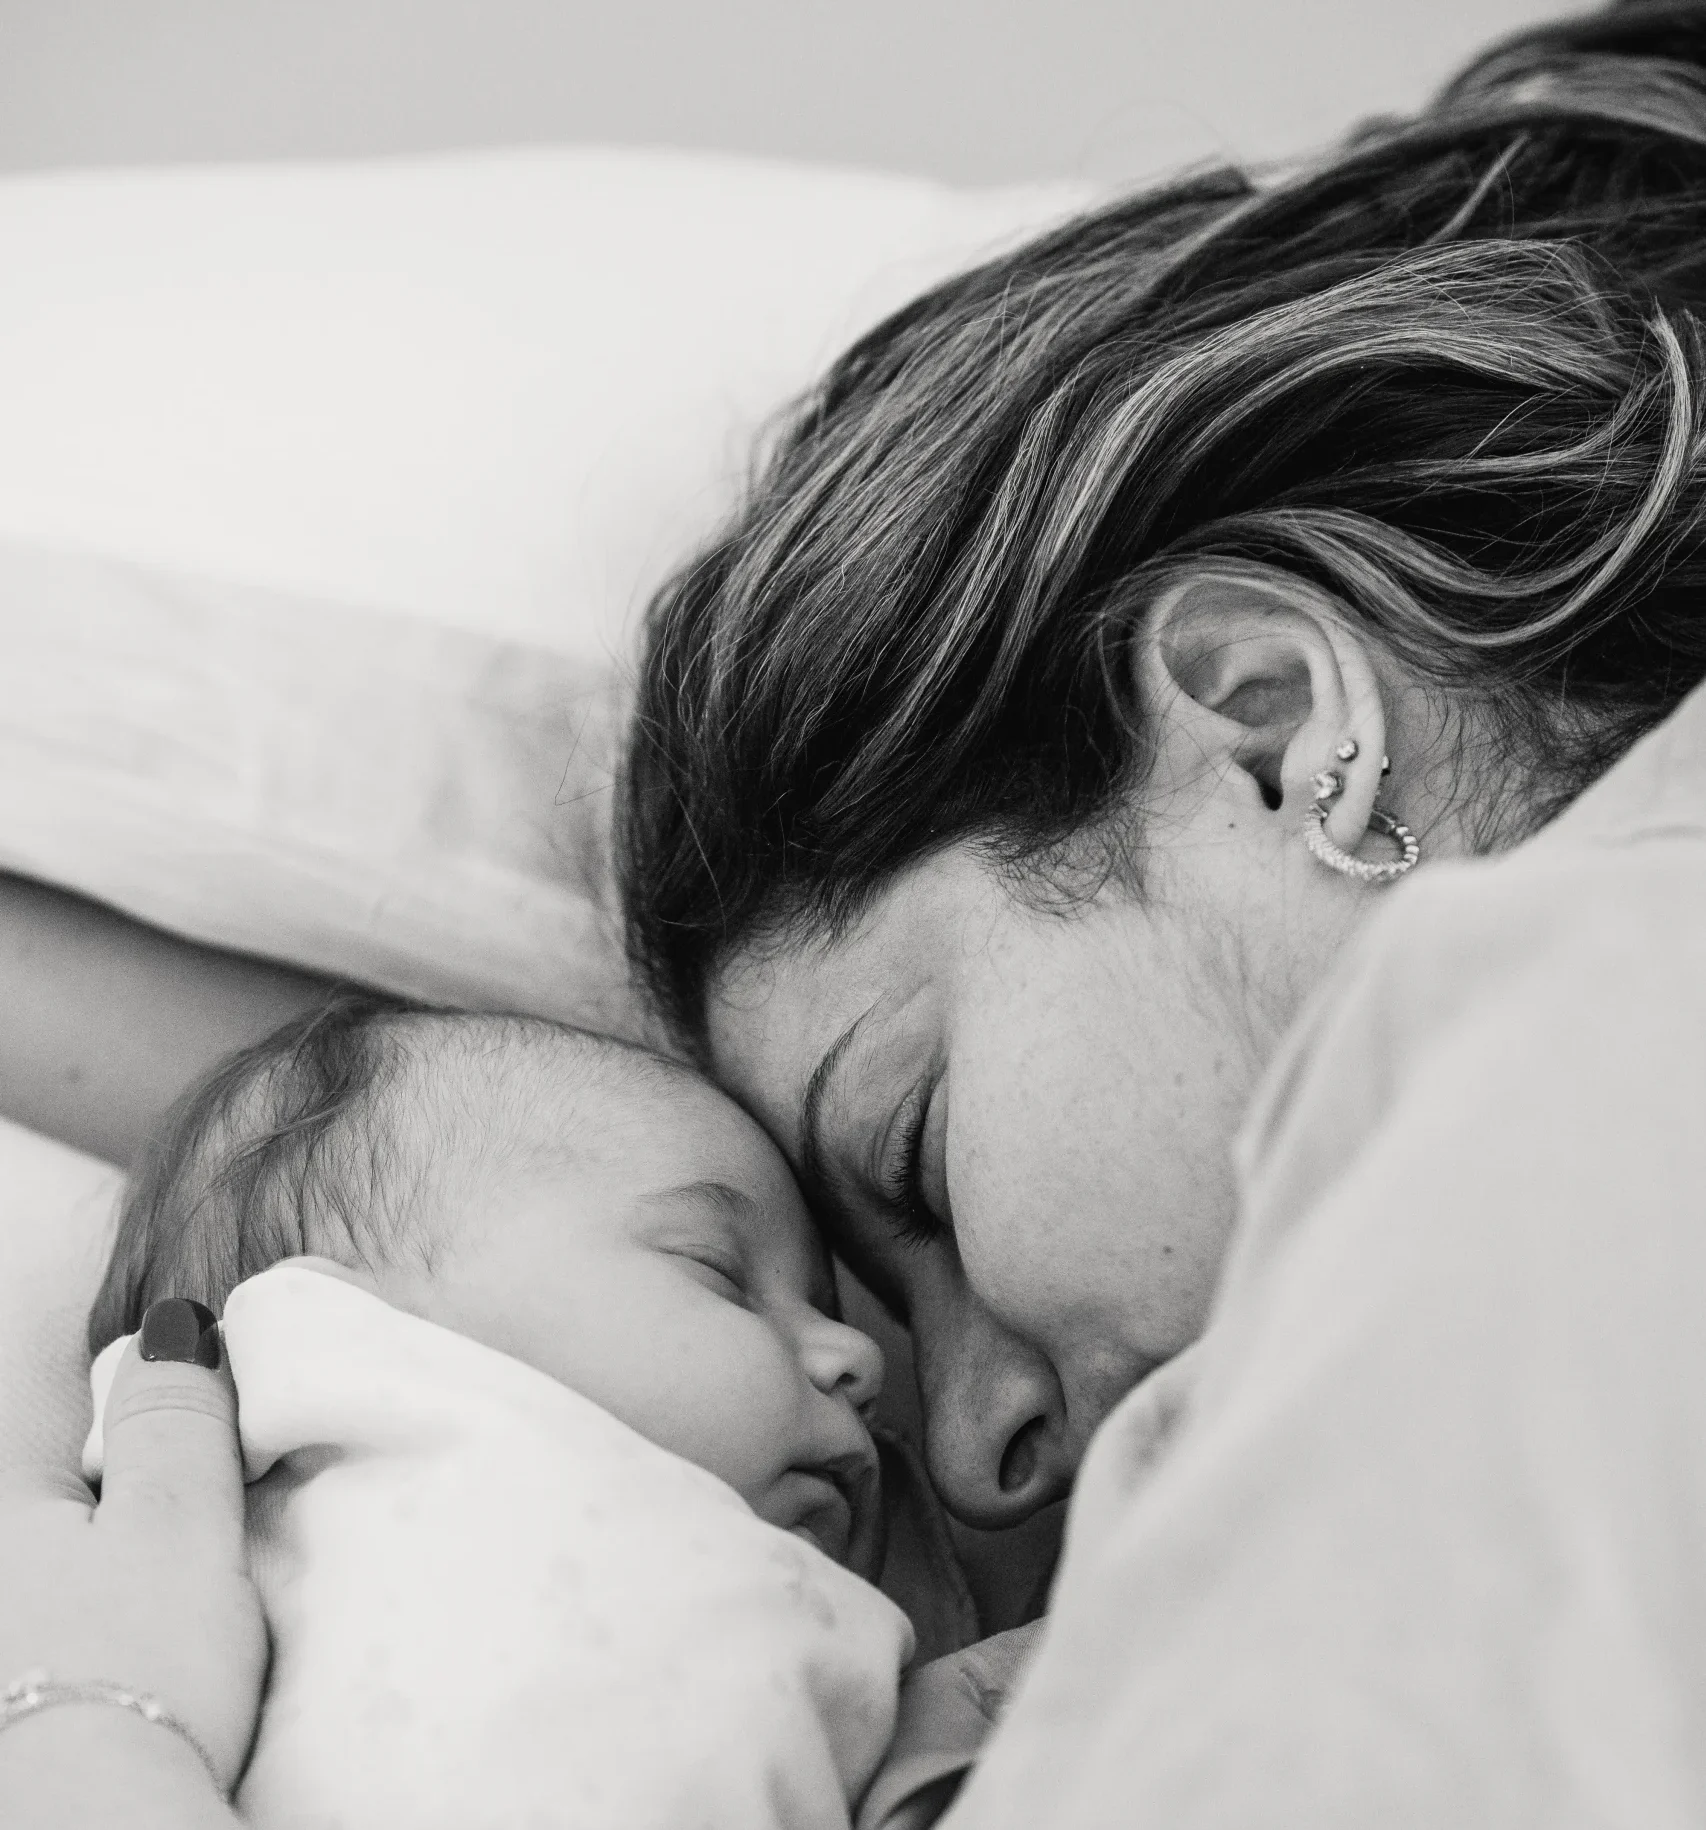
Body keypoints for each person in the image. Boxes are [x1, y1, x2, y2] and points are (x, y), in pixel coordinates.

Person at [7, 2, 1706, 1824]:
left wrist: (100, 1736)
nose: (963, 1454)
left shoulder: (1563, 1048)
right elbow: (394, 1174)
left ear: (1276, 738)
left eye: (916, 1162)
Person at [79, 990, 927, 1829]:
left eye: (825, 1309)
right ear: (355, 1318)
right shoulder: (311, 1384)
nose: (860, 1358)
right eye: (719, 1271)